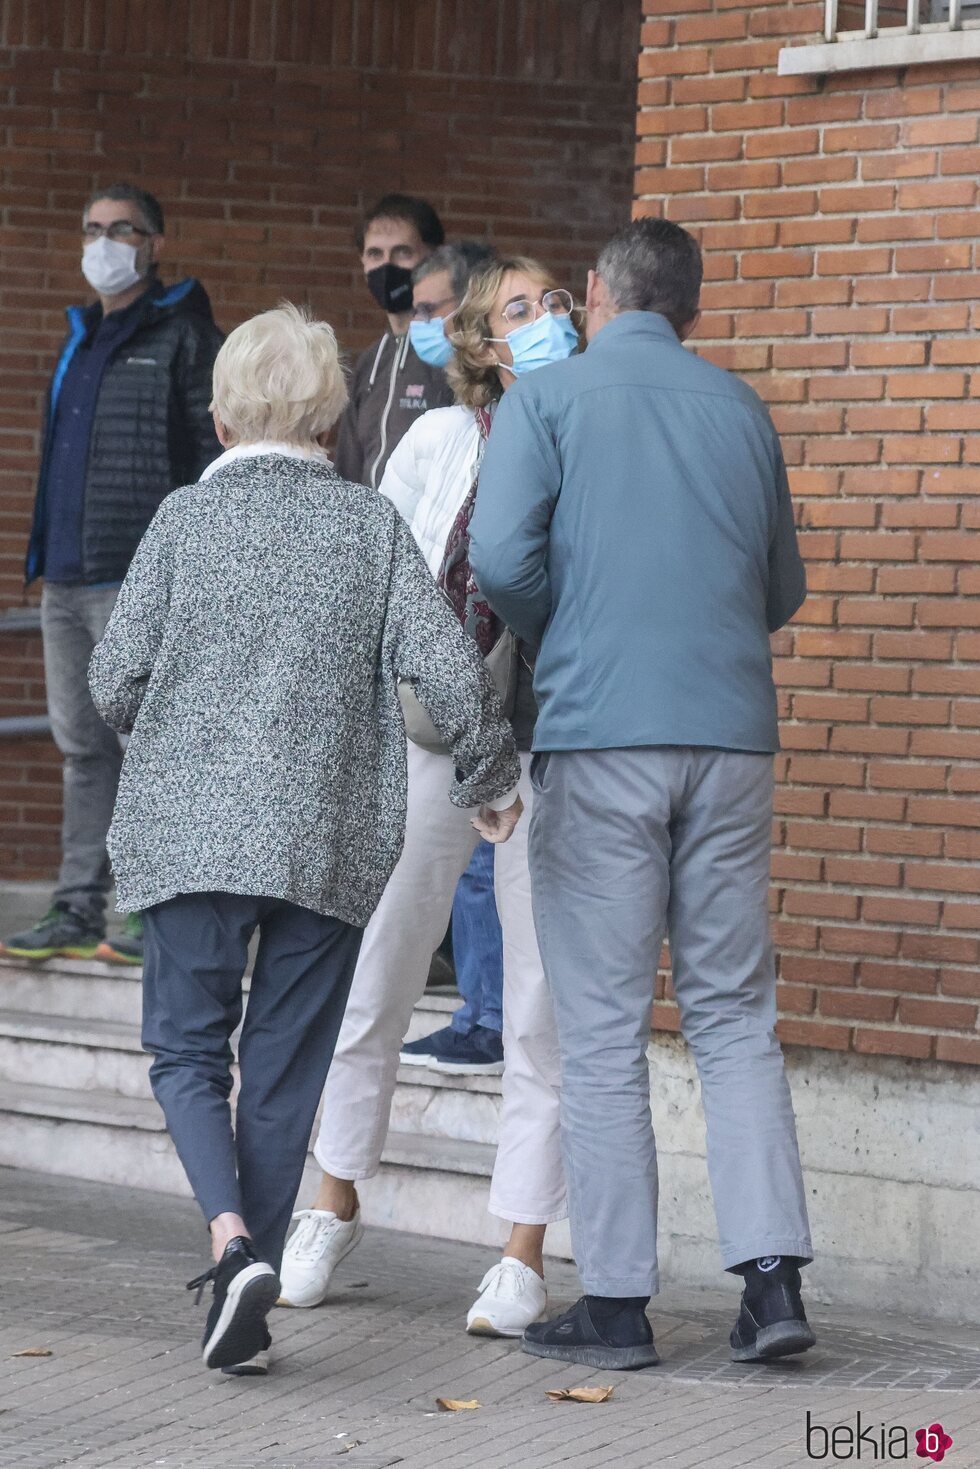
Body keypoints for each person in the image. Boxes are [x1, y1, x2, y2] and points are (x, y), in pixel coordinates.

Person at [88, 304, 522, 1378]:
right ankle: (254, 1274)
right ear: (329, 415)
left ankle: (230, 1241)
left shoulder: (182, 520)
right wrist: (489, 775)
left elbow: (113, 682)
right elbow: (451, 671)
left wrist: (186, 733)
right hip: (326, 837)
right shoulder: (368, 528)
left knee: (187, 1050)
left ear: (225, 411)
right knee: (283, 1069)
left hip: (189, 835)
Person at [471, 218, 816, 1372]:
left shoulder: (546, 402)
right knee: (730, 1013)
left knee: (605, 1026)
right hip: (728, 738)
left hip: (596, 730)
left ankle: (616, 1303)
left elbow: (502, 564)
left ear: (592, 296)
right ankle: (770, 1286)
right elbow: (781, 583)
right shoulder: (739, 409)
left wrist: (573, 632)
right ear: (692, 312)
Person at [278, 257, 580, 1338]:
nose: (548, 319)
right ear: (482, 342)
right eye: (522, 307)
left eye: (559, 303)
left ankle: (519, 1250)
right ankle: (332, 1196)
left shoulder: (588, 439)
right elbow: (380, 583)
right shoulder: (439, 441)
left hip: (551, 749)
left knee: (538, 1005)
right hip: (430, 740)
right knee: (379, 973)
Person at [4, 184, 222, 968]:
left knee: (147, 743)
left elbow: (211, 460)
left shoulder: (184, 336)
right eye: (91, 227)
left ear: (155, 242)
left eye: (120, 228)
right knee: (81, 747)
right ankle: (75, 903)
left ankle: (145, 908)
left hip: (137, 576)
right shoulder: (82, 338)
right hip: (65, 577)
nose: (102, 241)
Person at [402, 241, 509, 1075]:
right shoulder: (438, 432)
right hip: (435, 691)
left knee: (485, 865)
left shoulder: (537, 428)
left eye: (440, 310)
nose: (423, 325)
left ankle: (488, 1014)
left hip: (513, 690)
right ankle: (480, 1008)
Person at [334, 194, 454, 490]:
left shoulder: (454, 356)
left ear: (434, 257)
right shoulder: (369, 362)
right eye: (375, 254)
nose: (386, 266)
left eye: (402, 253)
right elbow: (347, 469)